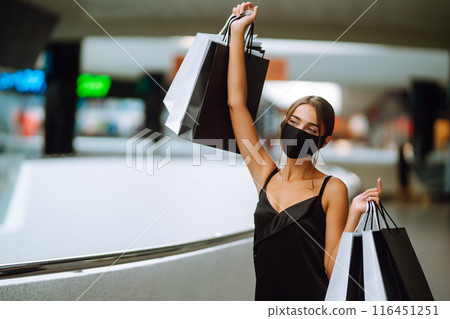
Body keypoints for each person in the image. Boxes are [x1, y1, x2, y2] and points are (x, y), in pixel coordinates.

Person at [227, 2, 383, 301]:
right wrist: (237, 32)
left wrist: (353, 215)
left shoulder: (331, 189)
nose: (299, 132)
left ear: (323, 141)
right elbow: (237, 104)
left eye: (311, 130)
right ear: (284, 124)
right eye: (294, 122)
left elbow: (332, 268)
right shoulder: (265, 174)